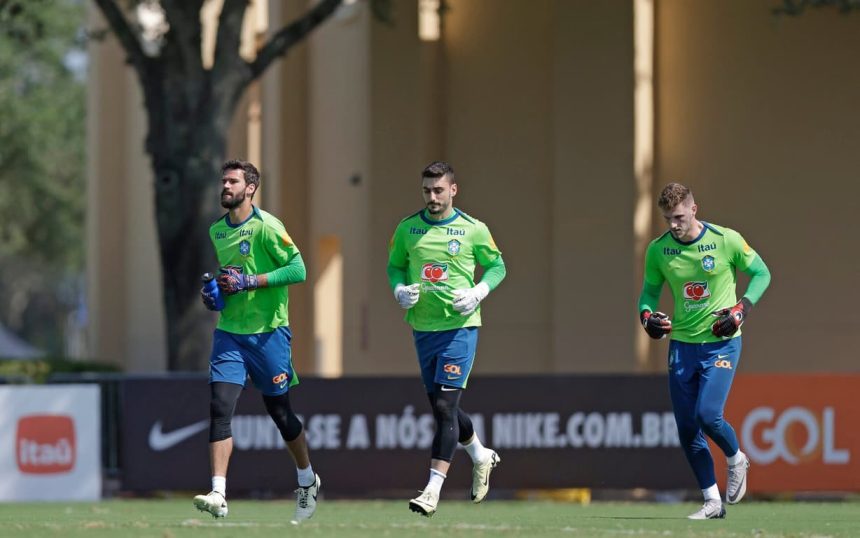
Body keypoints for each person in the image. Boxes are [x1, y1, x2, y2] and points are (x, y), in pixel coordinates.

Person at [194, 159, 320, 523]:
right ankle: (219, 492)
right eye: (223, 181)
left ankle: (306, 478)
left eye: (232, 182)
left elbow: (299, 269)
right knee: (220, 406)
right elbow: (229, 280)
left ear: (250, 188)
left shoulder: (267, 226)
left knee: (281, 415)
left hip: (269, 334)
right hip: (230, 333)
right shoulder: (218, 231)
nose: (225, 187)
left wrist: (251, 282)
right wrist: (215, 293)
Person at [638, 183, 771, 520]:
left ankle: (736, 457)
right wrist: (646, 317)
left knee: (708, 415)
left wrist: (741, 309)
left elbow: (761, 273)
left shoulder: (726, 240)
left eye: (679, 217)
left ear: (694, 210)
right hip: (681, 345)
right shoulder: (658, 250)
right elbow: (649, 294)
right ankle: (712, 501)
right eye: (667, 218)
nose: (673, 224)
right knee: (686, 428)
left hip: (722, 342)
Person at [387, 161, 507, 517]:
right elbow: (395, 265)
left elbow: (498, 265)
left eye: (439, 190)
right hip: (423, 329)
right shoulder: (408, 228)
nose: (432, 197)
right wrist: (398, 290)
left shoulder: (473, 229)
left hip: (461, 327)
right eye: (427, 190)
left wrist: (479, 291)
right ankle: (481, 454)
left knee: (443, 409)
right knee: (443, 407)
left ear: (453, 189)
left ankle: (432, 490)